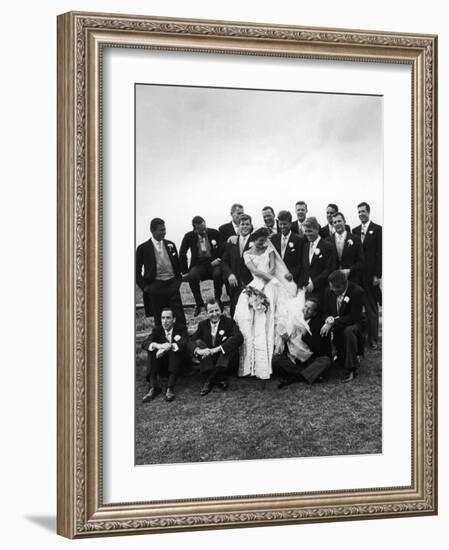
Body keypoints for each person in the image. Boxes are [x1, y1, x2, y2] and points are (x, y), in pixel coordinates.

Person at [234, 227, 311, 380]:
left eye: (264, 240)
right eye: (260, 241)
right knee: (251, 320)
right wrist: (265, 281)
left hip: (272, 282)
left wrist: (271, 280)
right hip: (257, 283)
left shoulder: (269, 248)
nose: (263, 243)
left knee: (274, 317)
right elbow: (255, 271)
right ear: (254, 239)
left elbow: (273, 266)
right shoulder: (247, 254)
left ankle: (273, 361)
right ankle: (254, 364)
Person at [136, 217, 185, 326]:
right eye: (161, 230)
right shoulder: (142, 248)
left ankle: (182, 339)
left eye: (164, 229)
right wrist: (146, 288)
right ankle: (162, 340)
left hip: (172, 284)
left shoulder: (170, 244)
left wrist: (178, 281)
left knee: (179, 316)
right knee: (160, 319)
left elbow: (177, 265)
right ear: (152, 231)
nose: (164, 232)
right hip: (155, 286)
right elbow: (136, 272)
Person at [189, 299, 243, 396]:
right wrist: (199, 351)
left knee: (228, 346)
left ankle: (209, 382)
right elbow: (191, 341)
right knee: (199, 342)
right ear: (207, 313)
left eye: (216, 310)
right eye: (211, 311)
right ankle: (219, 379)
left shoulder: (229, 322)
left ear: (221, 310)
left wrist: (218, 348)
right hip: (210, 360)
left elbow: (239, 338)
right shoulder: (203, 325)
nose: (214, 314)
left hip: (225, 360)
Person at [273, 297, 332, 386]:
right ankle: (307, 374)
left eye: (309, 309)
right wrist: (285, 336)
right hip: (294, 359)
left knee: (325, 361)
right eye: (305, 306)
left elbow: (318, 348)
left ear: (314, 313)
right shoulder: (293, 319)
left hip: (309, 359)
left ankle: (296, 376)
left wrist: (304, 335)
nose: (305, 310)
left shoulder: (318, 325)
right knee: (275, 360)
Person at [321, 270, 365, 382]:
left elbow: (353, 317)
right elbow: (325, 311)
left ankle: (351, 369)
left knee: (348, 331)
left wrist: (333, 322)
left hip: (354, 324)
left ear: (343, 285)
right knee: (321, 327)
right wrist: (328, 319)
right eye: (331, 287)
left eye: (335, 288)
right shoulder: (328, 291)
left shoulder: (357, 292)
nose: (332, 290)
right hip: (336, 322)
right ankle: (328, 361)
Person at [141, 308, 188, 402]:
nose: (165, 321)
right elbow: (145, 343)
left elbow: (184, 343)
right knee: (152, 349)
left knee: (174, 349)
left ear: (174, 319)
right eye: (163, 318)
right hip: (161, 365)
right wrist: (159, 346)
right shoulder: (157, 330)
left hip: (177, 365)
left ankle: (170, 388)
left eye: (168, 318)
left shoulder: (181, 328)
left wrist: (168, 346)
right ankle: (153, 387)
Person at [179, 216, 224, 316]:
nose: (204, 230)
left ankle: (217, 300)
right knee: (192, 276)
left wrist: (219, 259)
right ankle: (199, 303)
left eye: (205, 227)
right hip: (199, 264)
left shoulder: (214, 233)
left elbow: (222, 248)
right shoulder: (188, 236)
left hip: (214, 263)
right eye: (201, 229)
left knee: (218, 274)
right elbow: (182, 253)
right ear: (195, 229)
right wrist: (185, 271)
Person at [352, 202, 382, 349]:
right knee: (357, 308)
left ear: (368, 212)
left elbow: (380, 254)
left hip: (371, 276)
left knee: (371, 308)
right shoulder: (354, 230)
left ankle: (373, 339)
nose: (361, 214)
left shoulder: (378, 230)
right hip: (358, 276)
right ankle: (359, 339)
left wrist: (378, 275)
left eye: (363, 211)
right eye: (359, 212)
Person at [221, 214, 254, 316]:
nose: (244, 226)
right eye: (242, 224)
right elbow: (224, 262)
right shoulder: (232, 242)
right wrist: (230, 274)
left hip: (251, 283)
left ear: (251, 225)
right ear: (238, 226)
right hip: (235, 284)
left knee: (250, 312)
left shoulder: (255, 241)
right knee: (235, 313)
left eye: (247, 224)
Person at [297, 217, 336, 301]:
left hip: (322, 289)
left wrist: (314, 283)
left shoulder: (328, 246)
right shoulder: (305, 247)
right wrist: (301, 285)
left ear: (317, 230)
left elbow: (329, 269)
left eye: (310, 231)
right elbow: (304, 268)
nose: (307, 234)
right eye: (306, 231)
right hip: (306, 290)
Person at [327, 212, 364, 285]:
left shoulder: (356, 239)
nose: (337, 223)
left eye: (339, 221)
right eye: (335, 222)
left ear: (344, 221)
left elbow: (361, 261)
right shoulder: (327, 241)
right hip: (334, 281)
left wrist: (350, 270)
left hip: (352, 279)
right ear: (333, 224)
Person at [271, 210, 304, 285]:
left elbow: (301, 262)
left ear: (290, 224)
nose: (282, 227)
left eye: (285, 224)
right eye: (280, 224)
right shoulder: (274, 239)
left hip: (292, 280)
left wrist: (292, 274)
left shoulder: (298, 240)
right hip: (277, 279)